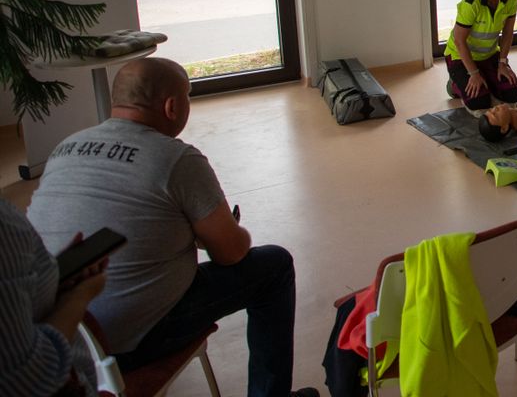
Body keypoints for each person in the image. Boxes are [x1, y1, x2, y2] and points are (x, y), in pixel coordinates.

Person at [26, 58, 315, 397]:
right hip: (128, 342)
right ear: (172, 106)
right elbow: (232, 254)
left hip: (58, 335)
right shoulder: (177, 160)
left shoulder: (65, 147)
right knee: (274, 267)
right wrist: (225, 232)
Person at [1, 198, 108, 397]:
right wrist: (79, 296)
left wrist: (51, 283)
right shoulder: (4, 226)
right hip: (67, 384)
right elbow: (28, 378)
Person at [444, 0, 517, 111]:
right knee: (479, 103)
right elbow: (459, 41)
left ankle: (486, 77)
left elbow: (508, 33)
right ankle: (454, 84)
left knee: (513, 95)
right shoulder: (471, 3)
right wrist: (473, 73)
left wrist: (502, 63)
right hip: (460, 57)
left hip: (488, 55)